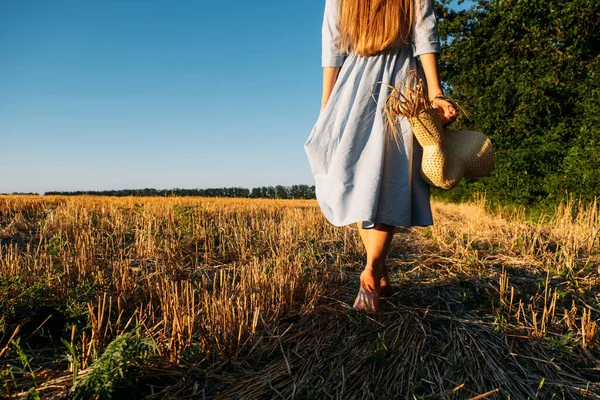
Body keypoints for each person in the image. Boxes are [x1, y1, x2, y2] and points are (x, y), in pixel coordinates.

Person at [304, 0, 457, 313]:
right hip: (390, 82)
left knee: (375, 177)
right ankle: (377, 270)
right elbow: (424, 35)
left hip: (368, 86)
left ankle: (374, 271)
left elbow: (332, 47)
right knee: (376, 177)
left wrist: (327, 104)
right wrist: (434, 91)